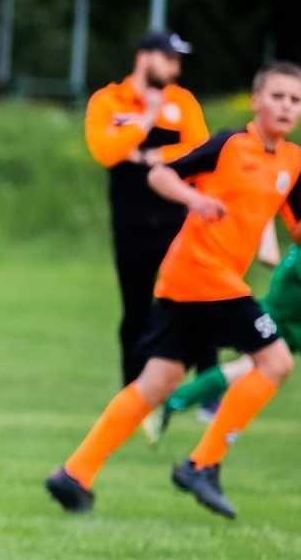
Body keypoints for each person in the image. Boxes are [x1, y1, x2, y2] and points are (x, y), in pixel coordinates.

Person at [47, 62, 301, 520]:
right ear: (256, 100)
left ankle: (76, 473)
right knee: (276, 360)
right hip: (202, 272)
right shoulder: (230, 145)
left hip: (194, 282)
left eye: (295, 99)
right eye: (278, 96)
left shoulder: (292, 161)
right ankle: (201, 465)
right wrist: (195, 199)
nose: (286, 106)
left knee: (159, 381)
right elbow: (160, 174)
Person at [84, 30, 210, 385]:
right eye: (169, 59)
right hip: (131, 224)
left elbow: (200, 152)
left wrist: (152, 155)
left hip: (177, 221)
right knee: (135, 310)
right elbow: (106, 152)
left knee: (197, 301)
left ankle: (206, 387)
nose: (175, 69)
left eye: (178, 61)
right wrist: (145, 120)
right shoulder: (109, 101)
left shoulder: (183, 103)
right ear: (144, 58)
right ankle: (133, 392)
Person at [150, 234, 301, 439]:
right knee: (259, 361)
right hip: (296, 303)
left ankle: (173, 403)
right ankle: (175, 408)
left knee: (252, 366)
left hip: (295, 297)